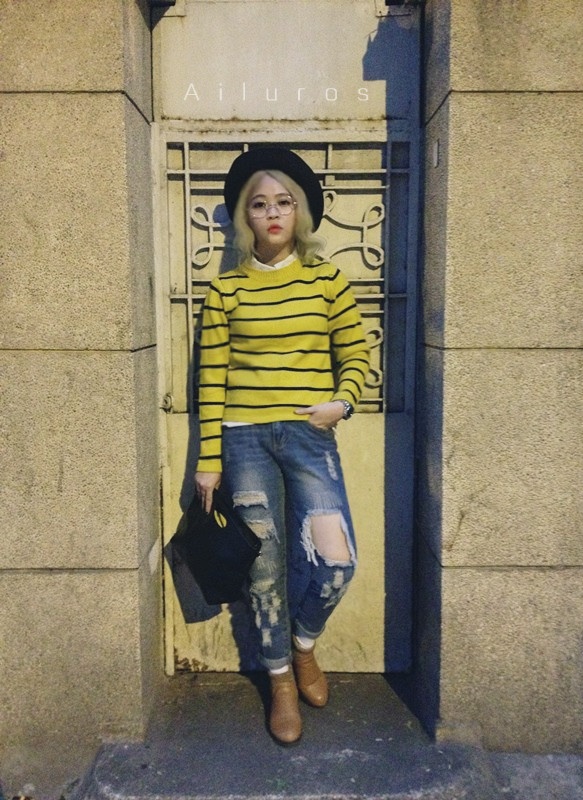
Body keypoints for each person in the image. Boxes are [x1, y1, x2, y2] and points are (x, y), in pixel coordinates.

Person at [194, 147, 370, 745]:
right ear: (245, 217)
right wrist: (208, 461)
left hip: (308, 434)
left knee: (337, 562)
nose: (272, 213)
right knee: (263, 571)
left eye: (284, 202)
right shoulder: (226, 290)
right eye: (259, 204)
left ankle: (303, 645)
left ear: (300, 212)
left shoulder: (327, 280)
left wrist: (342, 404)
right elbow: (211, 378)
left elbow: (356, 354)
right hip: (243, 440)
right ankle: (281, 685)